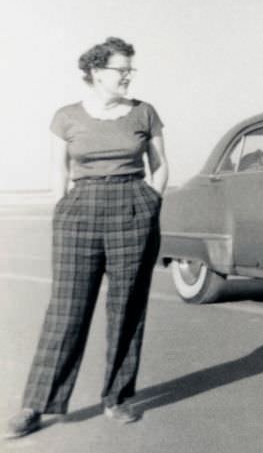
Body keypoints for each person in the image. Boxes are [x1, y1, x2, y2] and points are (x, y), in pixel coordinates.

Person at [6, 37, 168, 439]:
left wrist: (150, 202)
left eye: (130, 69)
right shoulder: (66, 116)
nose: (128, 75)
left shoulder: (144, 112)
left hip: (133, 206)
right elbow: (58, 170)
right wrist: (63, 205)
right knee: (66, 309)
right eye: (120, 69)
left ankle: (117, 397)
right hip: (80, 209)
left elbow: (160, 165)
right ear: (96, 72)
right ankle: (36, 404)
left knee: (127, 306)